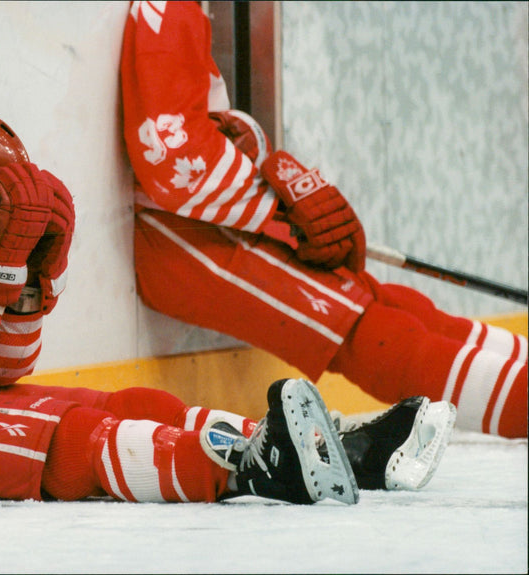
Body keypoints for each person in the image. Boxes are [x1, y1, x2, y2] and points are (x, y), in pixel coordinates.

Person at [0, 113, 448, 506]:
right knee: (67, 441)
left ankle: (338, 451)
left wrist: (37, 273)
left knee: (118, 404)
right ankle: (246, 464)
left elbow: (1, 367)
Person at [119, 0, 527, 439]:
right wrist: (284, 211)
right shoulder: (169, 10)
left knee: (385, 301)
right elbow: (168, 155)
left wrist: (283, 187)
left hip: (212, 221)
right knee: (364, 330)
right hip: (185, 239)